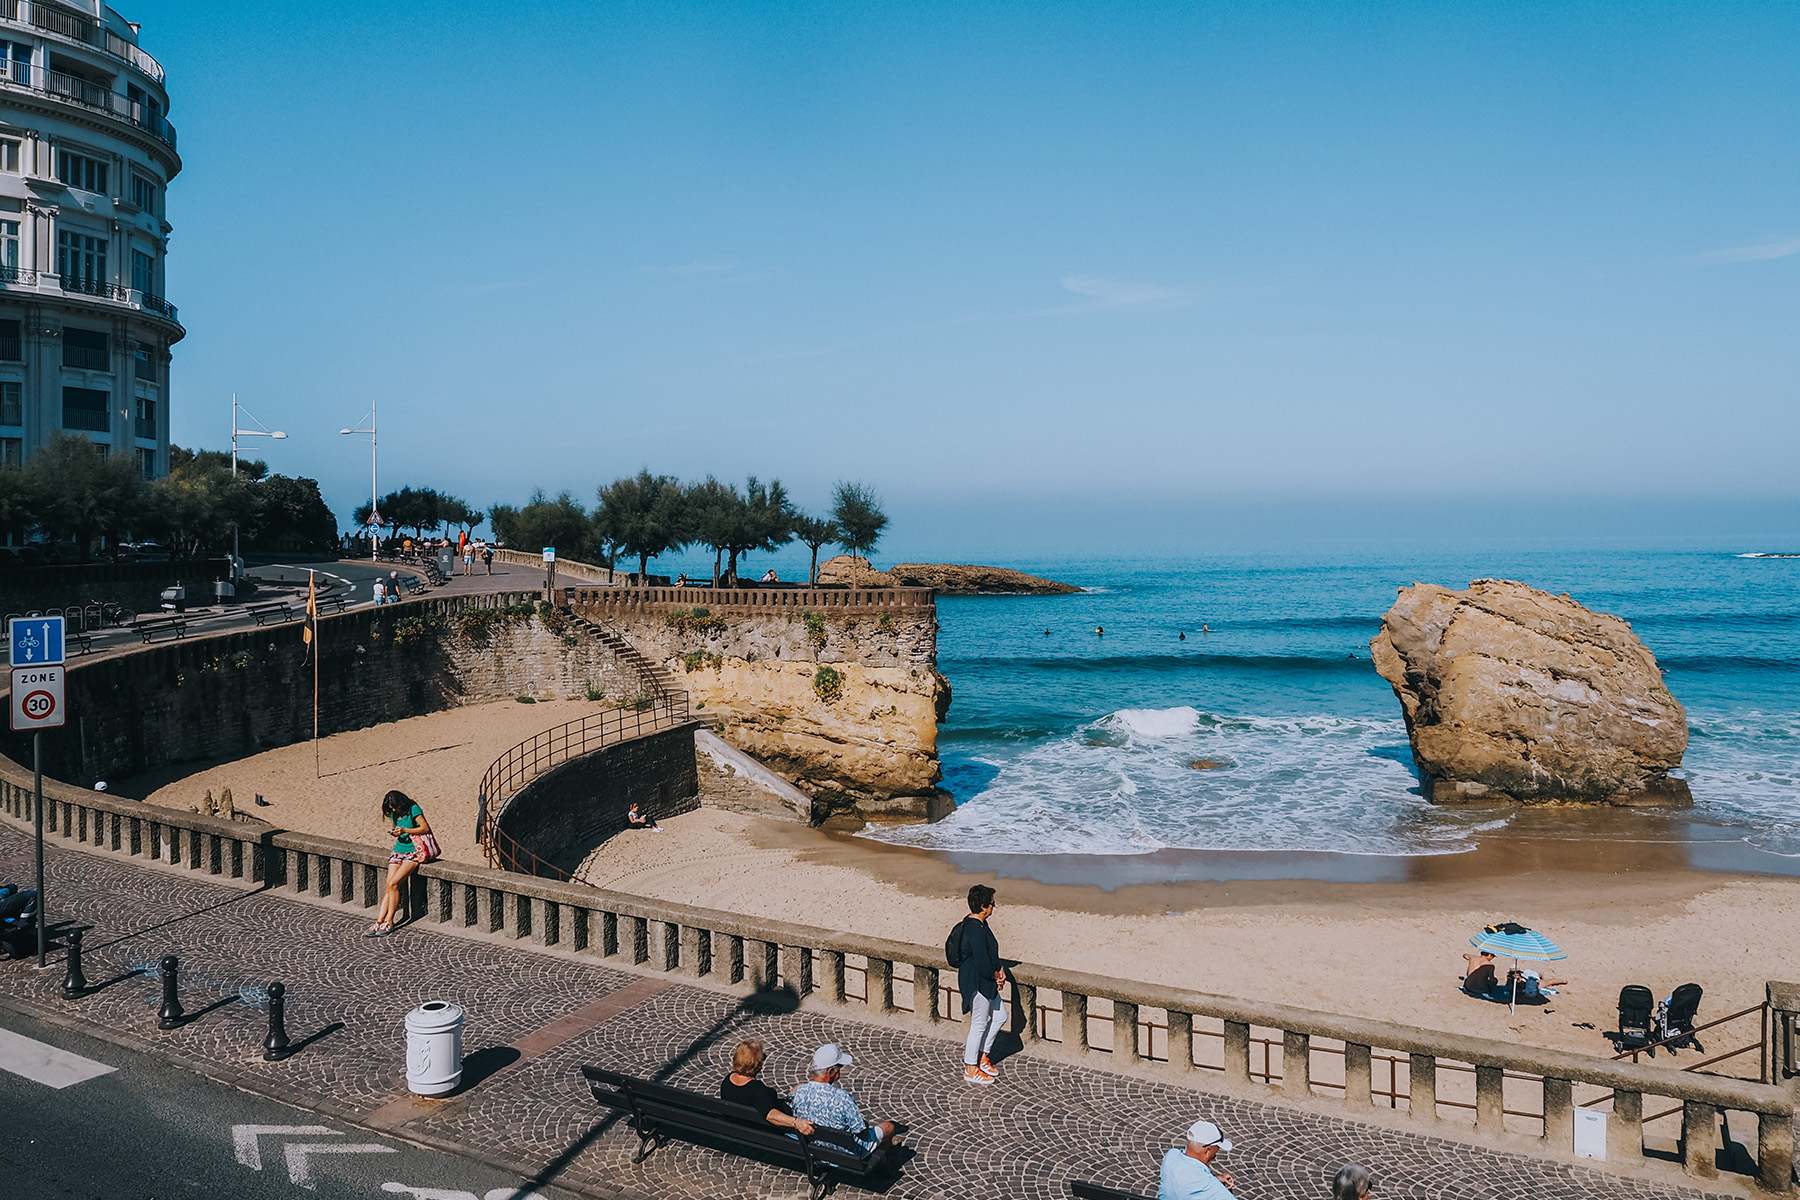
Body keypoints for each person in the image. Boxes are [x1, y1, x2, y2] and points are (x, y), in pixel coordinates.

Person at [791, 1044, 898, 1156]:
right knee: (889, 1127)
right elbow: (861, 1132)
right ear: (830, 1071)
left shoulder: (799, 1091)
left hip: (813, 1148)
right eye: (839, 1069)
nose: (839, 1074)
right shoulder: (842, 1097)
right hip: (844, 1154)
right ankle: (883, 1163)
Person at [955, 884, 1005, 1085]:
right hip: (976, 982)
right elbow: (982, 963)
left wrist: (1000, 970)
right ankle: (970, 1068)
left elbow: (991, 953)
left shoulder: (982, 924)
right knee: (978, 1024)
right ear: (984, 906)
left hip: (986, 980)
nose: (994, 907)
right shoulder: (974, 929)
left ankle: (983, 1056)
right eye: (993, 903)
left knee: (1001, 1016)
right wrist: (996, 976)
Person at [370, 789, 436, 936]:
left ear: (401, 803)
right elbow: (397, 827)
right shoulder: (393, 812)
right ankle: (379, 921)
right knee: (389, 885)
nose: (393, 810)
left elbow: (425, 828)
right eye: (390, 808)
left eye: (394, 807)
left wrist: (405, 830)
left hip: (413, 851)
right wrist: (395, 832)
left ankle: (390, 921)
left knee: (394, 883)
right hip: (398, 850)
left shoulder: (413, 809)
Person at [721, 1040, 815, 1135]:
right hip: (763, 1133)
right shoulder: (756, 1089)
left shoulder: (727, 1081)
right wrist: (796, 1122)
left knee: (798, 1088)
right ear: (756, 1065)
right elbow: (770, 1115)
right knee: (800, 1088)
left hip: (737, 1131)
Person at [1159, 1118, 1236, 1199]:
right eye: (1215, 1152)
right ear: (1207, 1152)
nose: (1214, 1157)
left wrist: (1216, 1179)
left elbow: (1189, 1180)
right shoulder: (1209, 1186)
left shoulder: (1171, 1156)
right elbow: (1202, 1184)